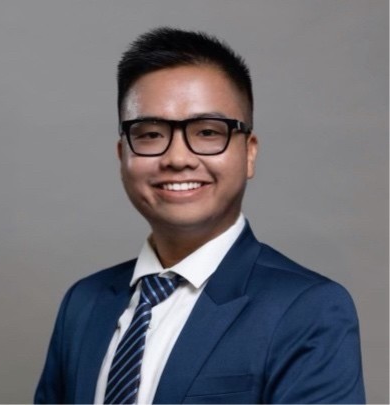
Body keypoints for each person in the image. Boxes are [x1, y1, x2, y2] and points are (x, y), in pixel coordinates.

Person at [34, 27, 365, 404]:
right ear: (122, 154)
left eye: (208, 132)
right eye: (150, 134)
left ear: (249, 153)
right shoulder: (84, 302)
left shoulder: (308, 308)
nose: (177, 158)